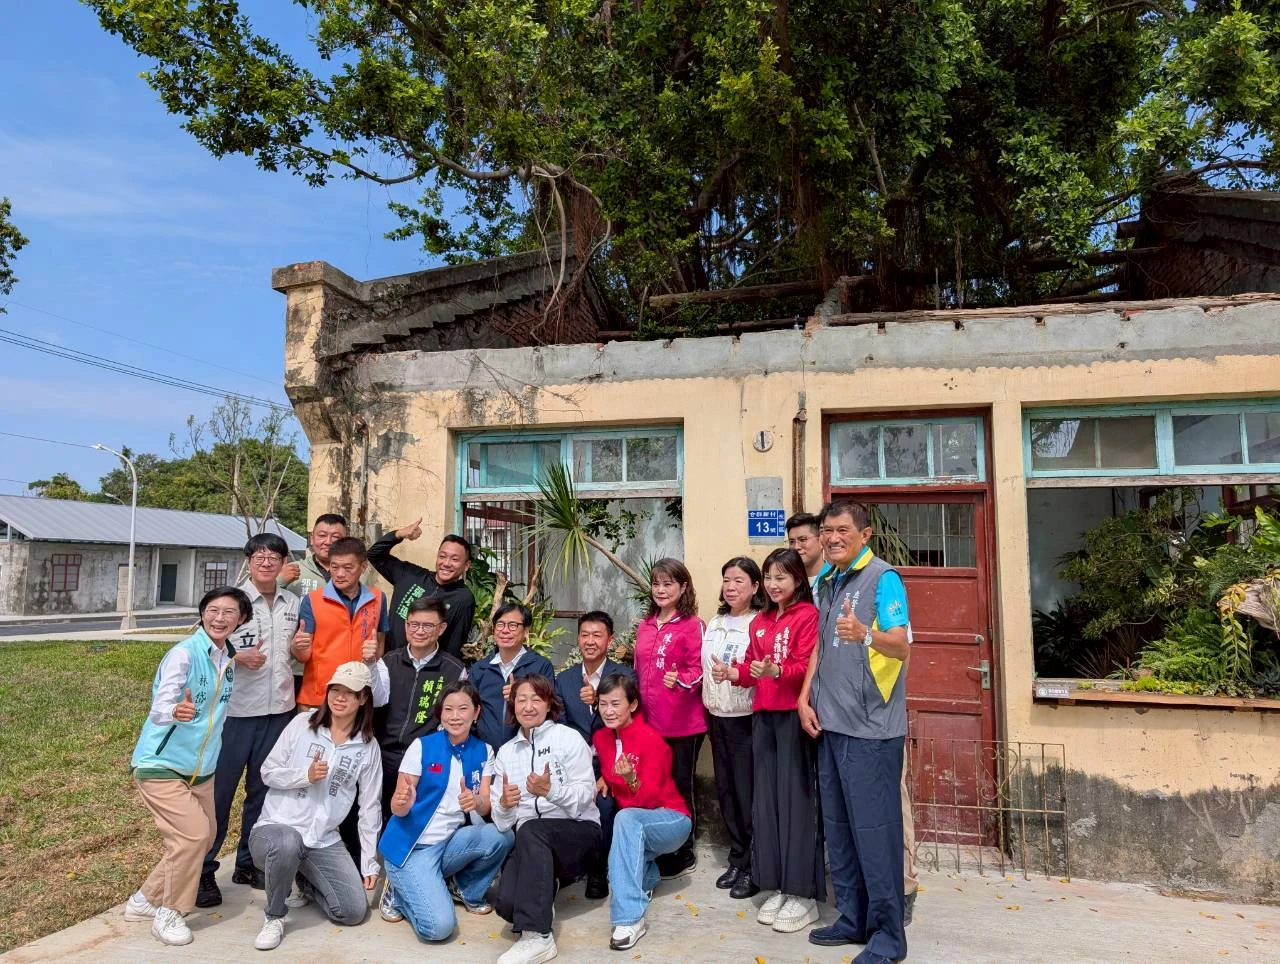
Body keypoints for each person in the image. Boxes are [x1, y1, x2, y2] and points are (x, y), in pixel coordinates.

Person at [798, 500, 911, 963]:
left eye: (842, 529)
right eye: (827, 530)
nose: (832, 537)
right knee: (841, 831)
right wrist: (805, 697)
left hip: (871, 732)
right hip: (831, 727)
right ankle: (852, 917)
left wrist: (865, 633)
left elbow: (901, 646)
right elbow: (820, 650)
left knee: (875, 833)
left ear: (865, 535)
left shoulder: (883, 579)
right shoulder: (827, 582)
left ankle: (886, 937)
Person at [124, 586, 253, 947]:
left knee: (204, 836)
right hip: (161, 764)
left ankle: (143, 901)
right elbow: (160, 706)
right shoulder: (184, 654)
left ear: (241, 619)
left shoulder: (226, 658)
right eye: (213, 610)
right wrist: (175, 712)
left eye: (230, 612)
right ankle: (170, 912)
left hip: (201, 770)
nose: (220, 617)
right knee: (193, 836)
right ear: (201, 614)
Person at [713, 548, 824, 934]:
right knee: (768, 803)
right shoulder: (761, 621)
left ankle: (804, 894)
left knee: (796, 803)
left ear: (797, 580)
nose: (775, 585)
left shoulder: (807, 616)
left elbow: (805, 664)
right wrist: (733, 672)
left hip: (792, 718)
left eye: (782, 577)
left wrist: (777, 669)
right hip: (763, 716)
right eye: (770, 577)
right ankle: (777, 884)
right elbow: (752, 667)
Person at [248, 662, 384, 951]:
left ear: (363, 699)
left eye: (350, 692)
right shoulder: (303, 724)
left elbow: (369, 807)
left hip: (322, 839)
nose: (340, 698)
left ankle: (306, 882)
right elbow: (268, 771)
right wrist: (304, 776)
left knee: (352, 912)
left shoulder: (367, 746)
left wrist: (369, 861)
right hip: (275, 831)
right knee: (288, 843)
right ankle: (274, 915)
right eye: (335, 690)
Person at [197, 534, 300, 908]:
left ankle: (248, 863)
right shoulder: (231, 602)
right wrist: (236, 658)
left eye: (274, 556)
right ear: (249, 561)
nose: (267, 562)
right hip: (235, 714)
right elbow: (203, 650)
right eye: (259, 555)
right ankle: (204, 872)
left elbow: (295, 651)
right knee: (219, 796)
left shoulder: (293, 603)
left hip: (278, 713)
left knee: (262, 793)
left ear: (284, 561)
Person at [379, 680, 513, 939]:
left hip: (448, 844)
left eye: (463, 709)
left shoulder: (484, 751)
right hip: (412, 849)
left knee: (501, 836)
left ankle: (465, 889)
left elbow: (485, 804)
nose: (455, 716)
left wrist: (475, 802)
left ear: (476, 713)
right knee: (438, 928)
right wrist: (403, 801)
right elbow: (398, 806)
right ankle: (398, 890)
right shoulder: (422, 746)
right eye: (448, 709)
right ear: (440, 713)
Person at [491, 674, 600, 964]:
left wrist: (551, 791)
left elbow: (584, 798)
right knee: (507, 904)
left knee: (532, 830)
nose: (528, 707)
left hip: (579, 835)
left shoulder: (568, 738)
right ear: (512, 705)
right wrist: (503, 804)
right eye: (521, 699)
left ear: (549, 703)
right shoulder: (505, 753)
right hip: (534, 845)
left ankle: (537, 937)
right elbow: (502, 823)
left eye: (536, 699)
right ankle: (546, 887)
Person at [593, 673, 691, 951]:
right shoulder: (601, 738)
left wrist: (631, 779)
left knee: (624, 819)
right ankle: (647, 878)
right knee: (617, 867)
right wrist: (605, 778)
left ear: (633, 705)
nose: (608, 711)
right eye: (603, 704)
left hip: (670, 819)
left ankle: (630, 919)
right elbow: (608, 773)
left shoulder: (651, 740)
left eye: (615, 704)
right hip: (635, 825)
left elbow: (650, 798)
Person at [553, 610, 633, 899]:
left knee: (606, 806)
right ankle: (567, 866)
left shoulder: (624, 675)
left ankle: (598, 870)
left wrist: (608, 774)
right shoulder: (564, 679)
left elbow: (629, 726)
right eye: (584, 635)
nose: (590, 641)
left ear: (609, 640)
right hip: (575, 764)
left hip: (610, 762)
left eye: (597, 635)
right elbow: (559, 726)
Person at [633, 558, 705, 879]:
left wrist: (680, 679)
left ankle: (685, 848)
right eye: (656, 584)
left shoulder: (692, 625)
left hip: (683, 723)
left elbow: (699, 671)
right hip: (650, 723)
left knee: (680, 784)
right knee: (658, 785)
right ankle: (663, 842)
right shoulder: (646, 624)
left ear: (683, 587)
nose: (661, 590)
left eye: (668, 584)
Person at [700, 556, 765, 899]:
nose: (731, 586)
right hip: (717, 717)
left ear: (755, 587)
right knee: (726, 793)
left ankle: (755, 864)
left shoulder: (759, 623)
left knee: (746, 793)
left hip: (746, 719)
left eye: (739, 580)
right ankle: (738, 858)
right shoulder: (715, 622)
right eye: (727, 580)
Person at [372, 597, 468, 819]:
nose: (419, 631)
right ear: (406, 626)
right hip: (384, 753)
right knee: (376, 812)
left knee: (413, 816)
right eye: (414, 624)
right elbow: (376, 701)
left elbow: (456, 719)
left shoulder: (454, 670)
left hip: (424, 757)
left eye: (427, 625)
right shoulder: (389, 661)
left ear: (442, 628)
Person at [291, 537, 388, 711]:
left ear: (363, 567)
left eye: (348, 568)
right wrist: (297, 646)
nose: (340, 574)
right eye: (334, 567)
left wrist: (373, 655)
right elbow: (302, 656)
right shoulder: (313, 600)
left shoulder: (378, 598)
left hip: (358, 696)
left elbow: (379, 645)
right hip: (318, 696)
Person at [279, 513, 365, 696]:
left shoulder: (353, 575)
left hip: (338, 670)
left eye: (336, 537)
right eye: (322, 535)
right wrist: (278, 581)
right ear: (312, 538)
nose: (328, 542)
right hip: (297, 669)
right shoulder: (293, 572)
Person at [368, 517, 476, 658]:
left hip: (427, 671)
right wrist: (399, 534)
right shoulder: (410, 575)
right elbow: (374, 555)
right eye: (442, 556)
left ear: (466, 565)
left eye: (455, 559)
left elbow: (454, 644)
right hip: (391, 663)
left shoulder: (463, 598)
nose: (446, 563)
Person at [470, 602, 555, 751]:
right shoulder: (480, 668)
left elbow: (550, 707)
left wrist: (520, 697)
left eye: (512, 625)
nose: (505, 631)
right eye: (500, 625)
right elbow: (470, 709)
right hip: (485, 752)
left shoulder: (540, 666)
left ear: (526, 631)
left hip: (527, 750)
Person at [787, 512, 830, 594]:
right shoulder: (788, 581)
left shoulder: (834, 578)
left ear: (821, 541)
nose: (796, 547)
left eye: (802, 540)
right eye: (791, 542)